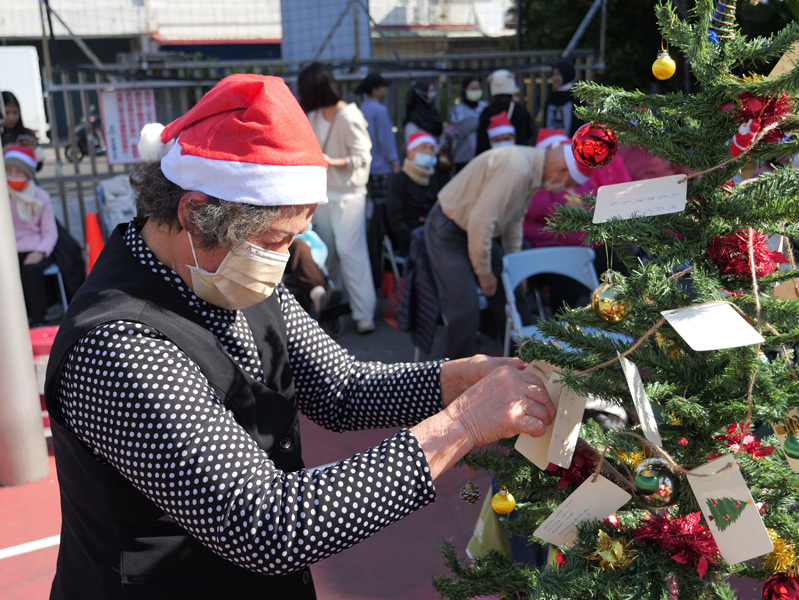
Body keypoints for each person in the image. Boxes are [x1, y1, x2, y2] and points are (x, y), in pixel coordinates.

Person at [42, 73, 556, 598]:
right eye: (273, 239)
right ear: (195, 212)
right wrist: (464, 423)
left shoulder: (231, 268)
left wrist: (456, 378)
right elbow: (265, 524)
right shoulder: (115, 344)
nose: (280, 260)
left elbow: (339, 388)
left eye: (292, 240)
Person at [424, 130, 586, 359]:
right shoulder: (518, 169)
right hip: (449, 230)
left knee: (515, 294)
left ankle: (526, 361)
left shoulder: (531, 170)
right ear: (561, 171)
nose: (562, 189)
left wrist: (516, 265)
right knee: (465, 309)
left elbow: (513, 221)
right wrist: (484, 273)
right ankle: (456, 378)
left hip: (475, 231)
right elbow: (481, 222)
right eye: (567, 183)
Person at [297, 62, 377, 334]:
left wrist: (333, 161)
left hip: (348, 195)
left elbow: (363, 158)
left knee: (349, 253)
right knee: (326, 251)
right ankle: (334, 308)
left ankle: (364, 314)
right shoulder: (316, 115)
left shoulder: (349, 117)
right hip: (324, 193)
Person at [523, 129, 631, 312]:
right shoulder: (536, 176)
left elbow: (594, 201)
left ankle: (619, 314)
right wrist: (576, 212)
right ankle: (562, 325)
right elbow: (538, 208)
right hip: (550, 247)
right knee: (569, 276)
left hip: (585, 244)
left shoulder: (575, 176)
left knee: (618, 262)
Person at [356, 72, 401, 289]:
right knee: (385, 212)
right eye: (382, 87)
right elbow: (386, 139)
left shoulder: (361, 109)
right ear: (375, 90)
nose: (384, 90)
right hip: (382, 167)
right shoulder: (380, 110)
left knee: (374, 214)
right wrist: (394, 162)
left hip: (367, 169)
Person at [5, 145, 57, 327]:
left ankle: (37, 321)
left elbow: (50, 232)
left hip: (35, 247)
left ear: (27, 173)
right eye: (8, 170)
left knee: (30, 270)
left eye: (17, 171)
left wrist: (40, 252)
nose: (12, 175)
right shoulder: (4, 197)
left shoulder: (41, 197)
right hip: (8, 250)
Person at [385, 131, 440, 255]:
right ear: (410, 153)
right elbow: (396, 221)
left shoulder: (435, 178)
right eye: (423, 148)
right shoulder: (397, 180)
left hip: (434, 234)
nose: (429, 152)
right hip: (410, 239)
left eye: (432, 149)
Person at [475, 69, 533, 156]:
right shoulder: (521, 110)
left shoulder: (487, 112)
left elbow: (481, 142)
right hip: (519, 157)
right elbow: (528, 134)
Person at [449, 75, 488, 173]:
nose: (476, 91)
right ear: (464, 90)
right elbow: (462, 129)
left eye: (478, 88)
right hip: (463, 157)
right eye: (472, 89)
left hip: (484, 155)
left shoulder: (484, 106)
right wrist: (481, 118)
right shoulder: (458, 110)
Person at [2, 91, 45, 170]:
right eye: (6, 112)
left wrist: (35, 149)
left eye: (15, 112)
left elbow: (39, 165)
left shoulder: (27, 133)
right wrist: (5, 151)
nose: (11, 117)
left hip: (26, 181)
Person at [543, 58, 584, 137]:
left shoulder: (576, 98)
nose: (554, 78)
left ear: (566, 75)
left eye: (558, 75)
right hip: (550, 141)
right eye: (554, 75)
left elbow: (578, 126)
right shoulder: (551, 97)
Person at [403, 79, 443, 144]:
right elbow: (414, 148)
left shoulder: (433, 112)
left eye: (433, 91)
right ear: (422, 93)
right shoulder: (412, 122)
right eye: (430, 91)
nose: (432, 94)